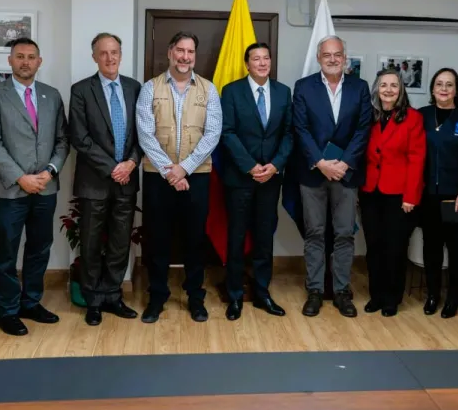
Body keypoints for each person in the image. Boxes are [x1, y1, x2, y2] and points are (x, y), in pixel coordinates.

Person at [0, 38, 69, 337]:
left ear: (39, 62)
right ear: (10, 61)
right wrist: (21, 177)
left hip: (45, 187)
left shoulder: (51, 95)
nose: (25, 62)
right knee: (4, 252)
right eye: (20, 56)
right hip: (8, 190)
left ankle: (31, 302)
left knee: (39, 248)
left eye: (31, 57)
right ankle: (7, 310)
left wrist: (50, 171)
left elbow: (62, 140)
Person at [136, 31, 222, 324]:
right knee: (158, 239)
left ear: (194, 55)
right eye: (180, 50)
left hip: (196, 175)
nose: (185, 57)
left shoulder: (209, 90)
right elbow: (145, 134)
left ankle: (195, 298)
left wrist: (184, 168)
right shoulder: (150, 88)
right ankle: (157, 297)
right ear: (170, 52)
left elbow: (212, 134)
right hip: (158, 176)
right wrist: (170, 171)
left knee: (195, 239)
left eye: (190, 52)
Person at [293, 35, 372, 318]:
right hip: (314, 173)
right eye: (327, 54)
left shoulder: (360, 87)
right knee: (314, 233)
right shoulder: (303, 87)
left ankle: (341, 291)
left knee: (344, 234)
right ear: (319, 58)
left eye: (337, 54)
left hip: (346, 174)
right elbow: (300, 128)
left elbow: (363, 128)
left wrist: (345, 163)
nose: (332, 59)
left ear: (345, 57)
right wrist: (320, 162)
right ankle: (315, 290)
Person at [69, 33, 141, 326]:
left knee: (120, 242)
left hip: (127, 180)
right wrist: (113, 168)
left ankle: (112, 295)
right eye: (103, 53)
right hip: (95, 181)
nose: (110, 58)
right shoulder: (81, 90)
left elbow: (143, 132)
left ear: (120, 55)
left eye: (114, 52)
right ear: (94, 57)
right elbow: (79, 137)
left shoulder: (134, 88)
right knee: (90, 243)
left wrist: (131, 163)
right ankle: (93, 301)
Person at [220, 42, 293, 321]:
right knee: (237, 237)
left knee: (264, 238)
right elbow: (227, 132)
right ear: (247, 64)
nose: (262, 63)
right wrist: (251, 166)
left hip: (270, 179)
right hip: (240, 178)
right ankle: (235, 295)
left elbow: (289, 134)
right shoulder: (232, 91)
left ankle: (262, 293)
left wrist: (275, 166)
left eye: (266, 58)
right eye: (256, 59)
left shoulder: (283, 92)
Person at [360, 69, 425, 317]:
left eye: (394, 85)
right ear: (377, 89)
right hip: (370, 191)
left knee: (395, 248)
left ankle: (391, 298)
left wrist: (411, 197)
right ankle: (376, 295)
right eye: (383, 85)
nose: (388, 90)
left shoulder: (413, 118)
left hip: (399, 195)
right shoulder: (369, 116)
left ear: (401, 90)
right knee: (374, 246)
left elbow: (417, 160)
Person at [419, 68, 458, 318]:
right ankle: (432, 295)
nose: (444, 88)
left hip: (456, 197)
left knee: (457, 249)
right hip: (428, 194)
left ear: (456, 90)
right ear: (432, 88)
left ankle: (453, 297)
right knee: (431, 248)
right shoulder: (421, 116)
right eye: (439, 84)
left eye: (449, 84)